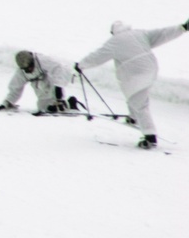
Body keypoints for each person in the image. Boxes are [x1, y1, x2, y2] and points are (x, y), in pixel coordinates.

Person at [76, 18, 188, 149]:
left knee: (139, 102)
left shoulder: (114, 42)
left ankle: (150, 136)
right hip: (150, 69)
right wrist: (182, 27)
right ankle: (133, 117)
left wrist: (81, 65)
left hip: (137, 73)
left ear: (113, 32)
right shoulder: (139, 34)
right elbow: (162, 33)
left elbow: (97, 56)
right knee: (135, 95)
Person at [0, 51, 78, 114]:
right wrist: (7, 103)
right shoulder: (21, 71)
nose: (28, 70)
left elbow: (59, 69)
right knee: (43, 107)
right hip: (40, 87)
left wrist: (58, 86)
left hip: (52, 80)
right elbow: (15, 88)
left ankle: (70, 102)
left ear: (32, 61)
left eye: (30, 67)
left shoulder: (43, 60)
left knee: (56, 106)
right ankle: (59, 104)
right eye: (25, 69)